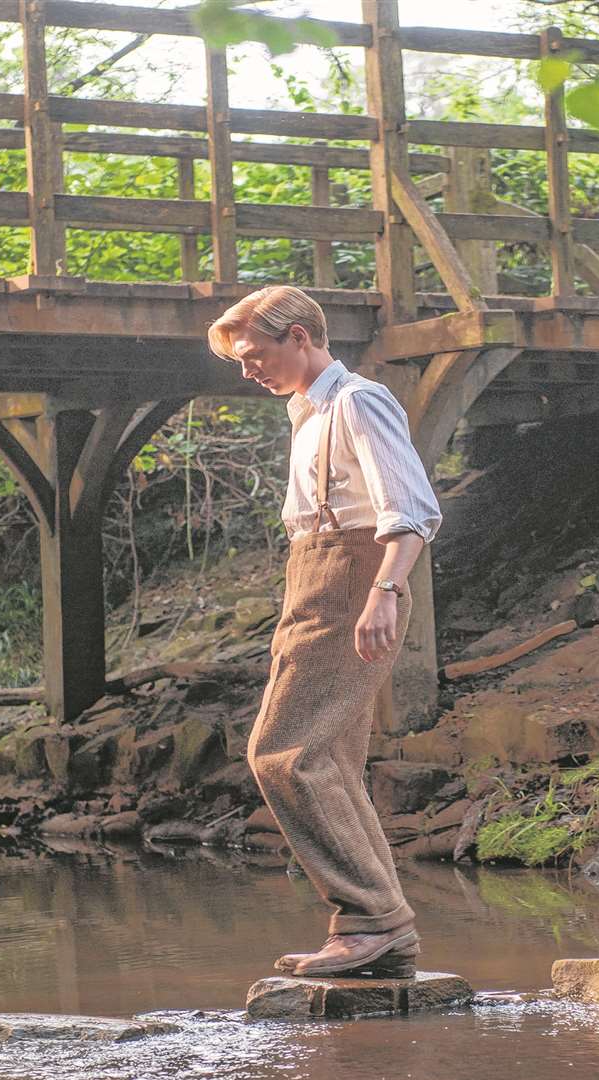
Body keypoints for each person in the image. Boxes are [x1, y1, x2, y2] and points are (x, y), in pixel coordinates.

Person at [206, 286, 442, 979]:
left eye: (255, 354)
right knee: (329, 758)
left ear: (302, 336)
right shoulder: (306, 413)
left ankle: (370, 919)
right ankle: (382, 926)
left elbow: (414, 509)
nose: (248, 370)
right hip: (312, 576)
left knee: (284, 753)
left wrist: (386, 592)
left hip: (351, 578)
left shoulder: (356, 401)